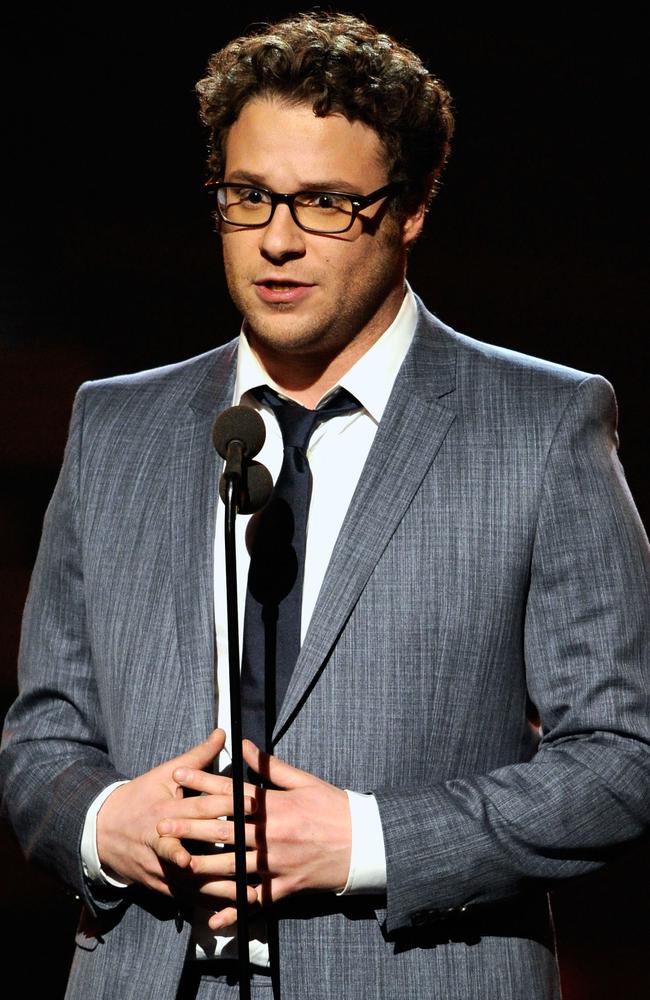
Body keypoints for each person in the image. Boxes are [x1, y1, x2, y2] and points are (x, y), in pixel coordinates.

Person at [2, 11, 650, 1000]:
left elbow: (620, 759)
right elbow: (43, 735)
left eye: (325, 204)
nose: (277, 240)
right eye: (248, 195)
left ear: (411, 206)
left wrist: (369, 842)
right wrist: (102, 822)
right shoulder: (113, 427)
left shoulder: (540, 426)